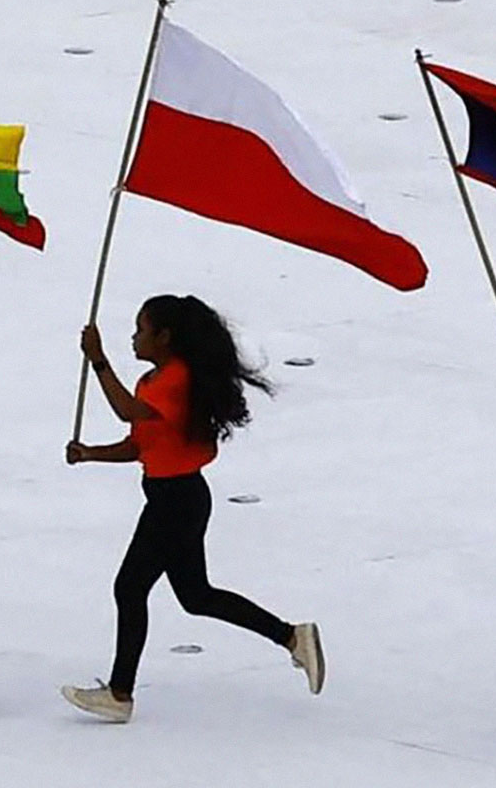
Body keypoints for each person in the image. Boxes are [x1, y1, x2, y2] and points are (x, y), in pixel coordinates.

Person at [60, 295, 324, 723]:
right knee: (196, 596)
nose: (134, 337)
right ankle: (293, 637)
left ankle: (120, 693)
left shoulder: (173, 381)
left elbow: (126, 410)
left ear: (165, 337)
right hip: (175, 498)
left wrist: (99, 361)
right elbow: (140, 444)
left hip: (176, 501)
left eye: (141, 330)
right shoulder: (154, 381)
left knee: (130, 588)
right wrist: (91, 454)